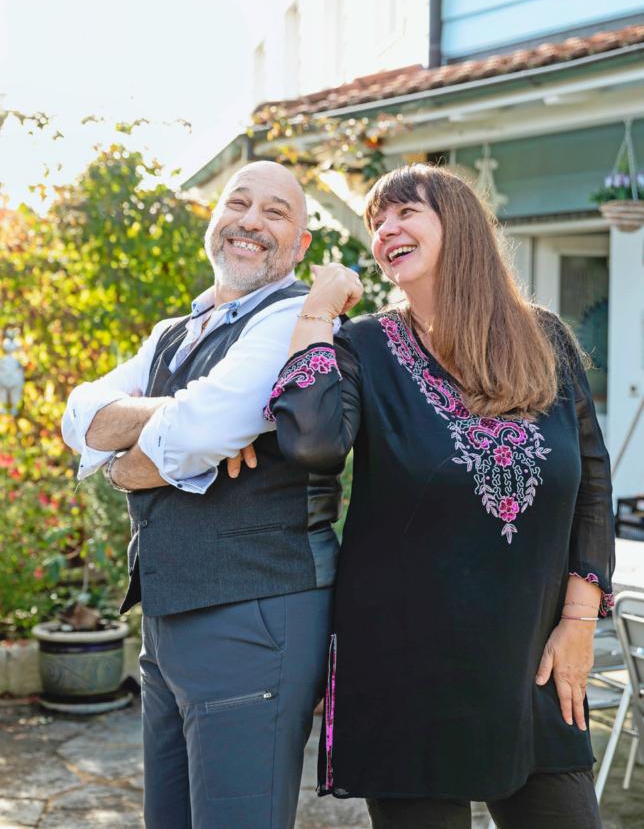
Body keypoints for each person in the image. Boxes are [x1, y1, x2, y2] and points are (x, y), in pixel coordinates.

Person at [263, 164, 615, 828]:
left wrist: (578, 624)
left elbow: (592, 486)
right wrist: (318, 311)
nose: (386, 230)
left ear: (460, 226)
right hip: (406, 670)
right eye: (377, 222)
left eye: (406, 212)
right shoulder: (365, 346)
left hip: (532, 663)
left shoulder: (544, 339)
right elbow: (311, 441)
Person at [61, 160, 341, 829]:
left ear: (301, 243)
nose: (251, 221)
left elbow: (204, 429)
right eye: (238, 203)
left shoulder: (293, 319)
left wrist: (131, 456)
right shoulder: (172, 332)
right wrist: (176, 421)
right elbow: (79, 417)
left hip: (255, 613)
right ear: (213, 222)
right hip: (168, 620)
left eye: (275, 212)